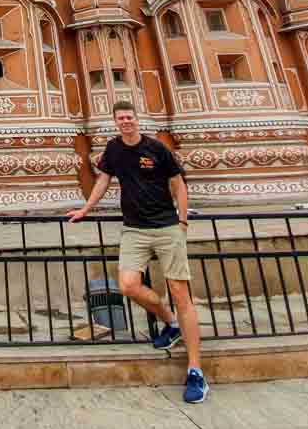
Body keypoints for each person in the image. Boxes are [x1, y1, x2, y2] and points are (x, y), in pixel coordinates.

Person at [67, 100, 208, 404]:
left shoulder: (157, 149)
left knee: (181, 293)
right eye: (121, 118)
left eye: (129, 117)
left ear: (136, 119)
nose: (126, 122)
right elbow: (103, 180)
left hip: (167, 227)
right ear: (116, 121)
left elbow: (178, 185)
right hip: (134, 229)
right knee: (128, 285)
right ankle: (170, 323)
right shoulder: (114, 149)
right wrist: (85, 209)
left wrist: (182, 222)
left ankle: (196, 370)